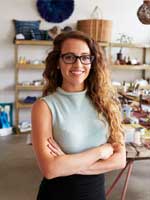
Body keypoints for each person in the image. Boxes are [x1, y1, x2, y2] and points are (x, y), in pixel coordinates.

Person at [31, 30, 126, 200]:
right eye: (69, 57)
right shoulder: (44, 107)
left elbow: (120, 160)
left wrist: (67, 163)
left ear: (92, 62)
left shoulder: (106, 103)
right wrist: (101, 151)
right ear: (58, 62)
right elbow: (51, 169)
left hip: (96, 194)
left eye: (85, 57)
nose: (78, 64)